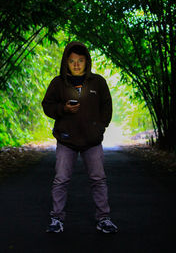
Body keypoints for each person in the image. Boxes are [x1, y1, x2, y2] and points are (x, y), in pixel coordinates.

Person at [42, 41, 118, 234]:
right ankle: (56, 219)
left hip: (91, 141)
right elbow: (47, 106)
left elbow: (106, 107)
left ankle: (104, 218)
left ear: (87, 61)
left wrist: (99, 128)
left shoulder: (98, 82)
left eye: (80, 61)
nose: (76, 65)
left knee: (98, 179)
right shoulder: (58, 83)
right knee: (61, 179)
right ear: (66, 62)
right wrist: (63, 109)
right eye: (72, 61)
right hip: (66, 140)